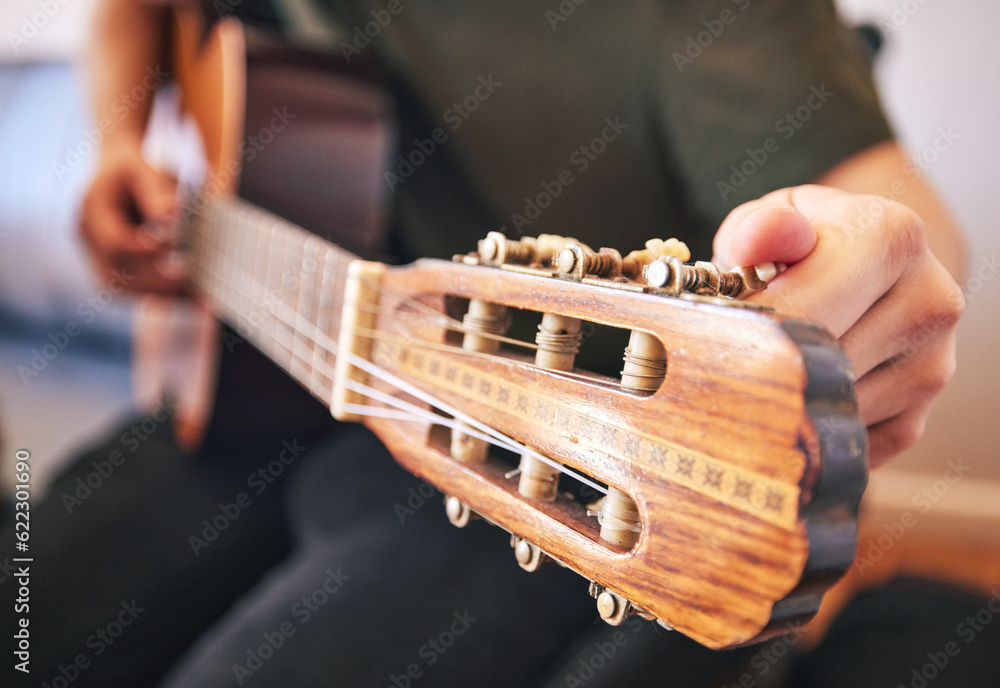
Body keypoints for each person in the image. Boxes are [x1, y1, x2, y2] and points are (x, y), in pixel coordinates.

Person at [2, 0, 974, 686]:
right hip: (245, 379)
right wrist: (121, 145)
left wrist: (883, 275)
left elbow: (887, 209)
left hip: (529, 458)